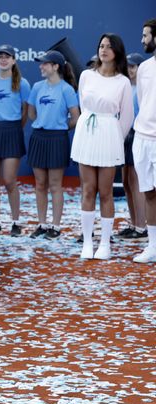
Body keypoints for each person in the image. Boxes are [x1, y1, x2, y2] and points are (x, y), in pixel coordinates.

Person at [71, 33, 134, 260]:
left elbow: (127, 117)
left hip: (109, 136)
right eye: (101, 46)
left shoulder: (123, 82)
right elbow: (83, 104)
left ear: (117, 51)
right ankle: (87, 242)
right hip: (86, 133)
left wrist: (114, 138)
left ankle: (105, 244)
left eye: (108, 47)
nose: (103, 50)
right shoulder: (86, 76)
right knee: (88, 190)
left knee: (106, 192)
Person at [27, 50, 80, 240]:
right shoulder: (36, 87)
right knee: (40, 184)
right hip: (38, 137)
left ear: (56, 66)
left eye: (45, 63)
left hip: (58, 139)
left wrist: (58, 127)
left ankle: (55, 227)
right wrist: (45, 122)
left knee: (55, 185)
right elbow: (32, 113)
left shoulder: (66, 89)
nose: (41, 66)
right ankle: (42, 224)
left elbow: (75, 117)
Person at [0, 44, 30, 236]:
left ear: (13, 60)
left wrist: (13, 126)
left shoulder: (22, 83)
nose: (3, 59)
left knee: (9, 180)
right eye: (0, 56)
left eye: (7, 56)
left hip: (12, 131)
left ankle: (16, 222)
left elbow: (25, 112)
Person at [132, 18, 156, 263]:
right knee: (149, 193)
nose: (142, 40)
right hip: (143, 138)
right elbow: (143, 101)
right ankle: (152, 246)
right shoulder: (145, 68)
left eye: (146, 35)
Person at [119, 52, 147, 239]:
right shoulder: (125, 87)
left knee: (136, 183)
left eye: (133, 66)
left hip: (138, 135)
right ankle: (134, 223)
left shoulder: (145, 89)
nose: (129, 70)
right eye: (127, 66)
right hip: (124, 135)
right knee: (127, 183)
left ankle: (142, 227)